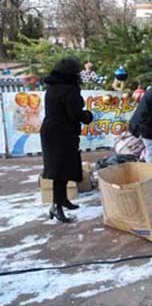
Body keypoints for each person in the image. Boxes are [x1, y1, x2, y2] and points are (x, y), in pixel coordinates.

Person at [40, 58, 94, 223]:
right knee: (60, 171)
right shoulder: (69, 90)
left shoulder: (52, 88)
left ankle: (62, 200)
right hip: (62, 133)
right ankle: (57, 207)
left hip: (51, 131)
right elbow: (75, 114)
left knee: (61, 169)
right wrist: (88, 116)